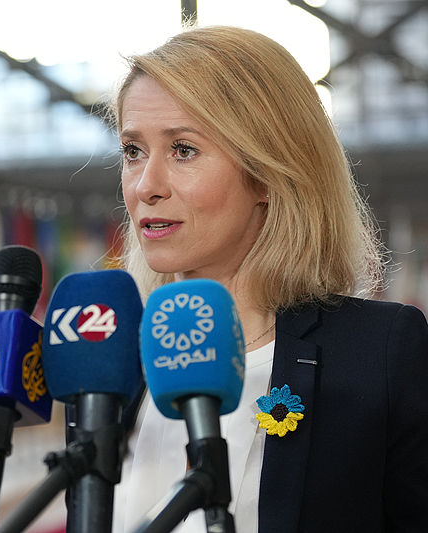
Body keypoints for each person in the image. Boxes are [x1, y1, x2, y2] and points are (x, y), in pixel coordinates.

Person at [113, 25, 428, 533]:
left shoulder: (380, 354)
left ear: (266, 171)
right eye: (133, 150)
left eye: (183, 150)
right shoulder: (110, 364)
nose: (146, 185)